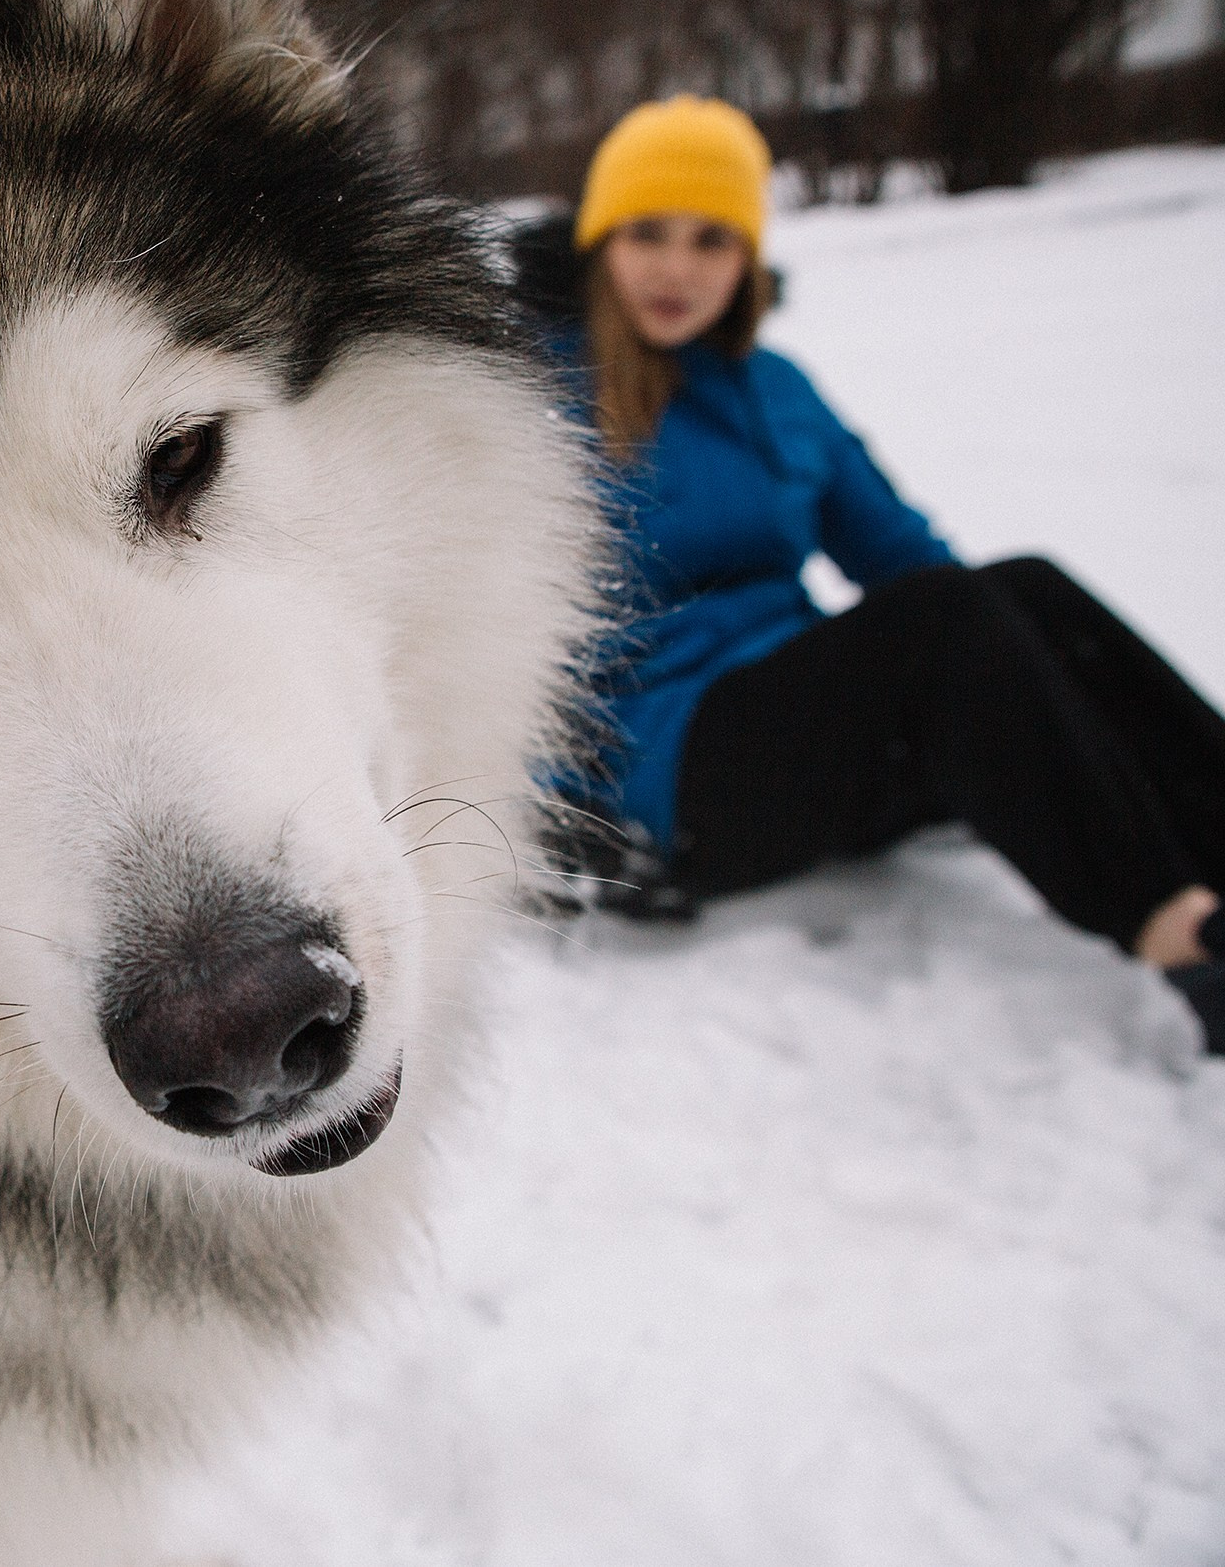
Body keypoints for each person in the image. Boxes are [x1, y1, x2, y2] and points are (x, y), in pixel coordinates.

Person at [517, 95, 1225, 1044]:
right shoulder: (538, 391)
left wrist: (1013, 680)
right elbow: (491, 625)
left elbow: (904, 560)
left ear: (749, 259)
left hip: (824, 731)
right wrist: (558, 826)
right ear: (599, 239)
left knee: (1027, 588)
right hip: (681, 778)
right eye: (648, 233)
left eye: (711, 240)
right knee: (943, 620)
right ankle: (1176, 934)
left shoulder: (780, 390)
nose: (678, 269)